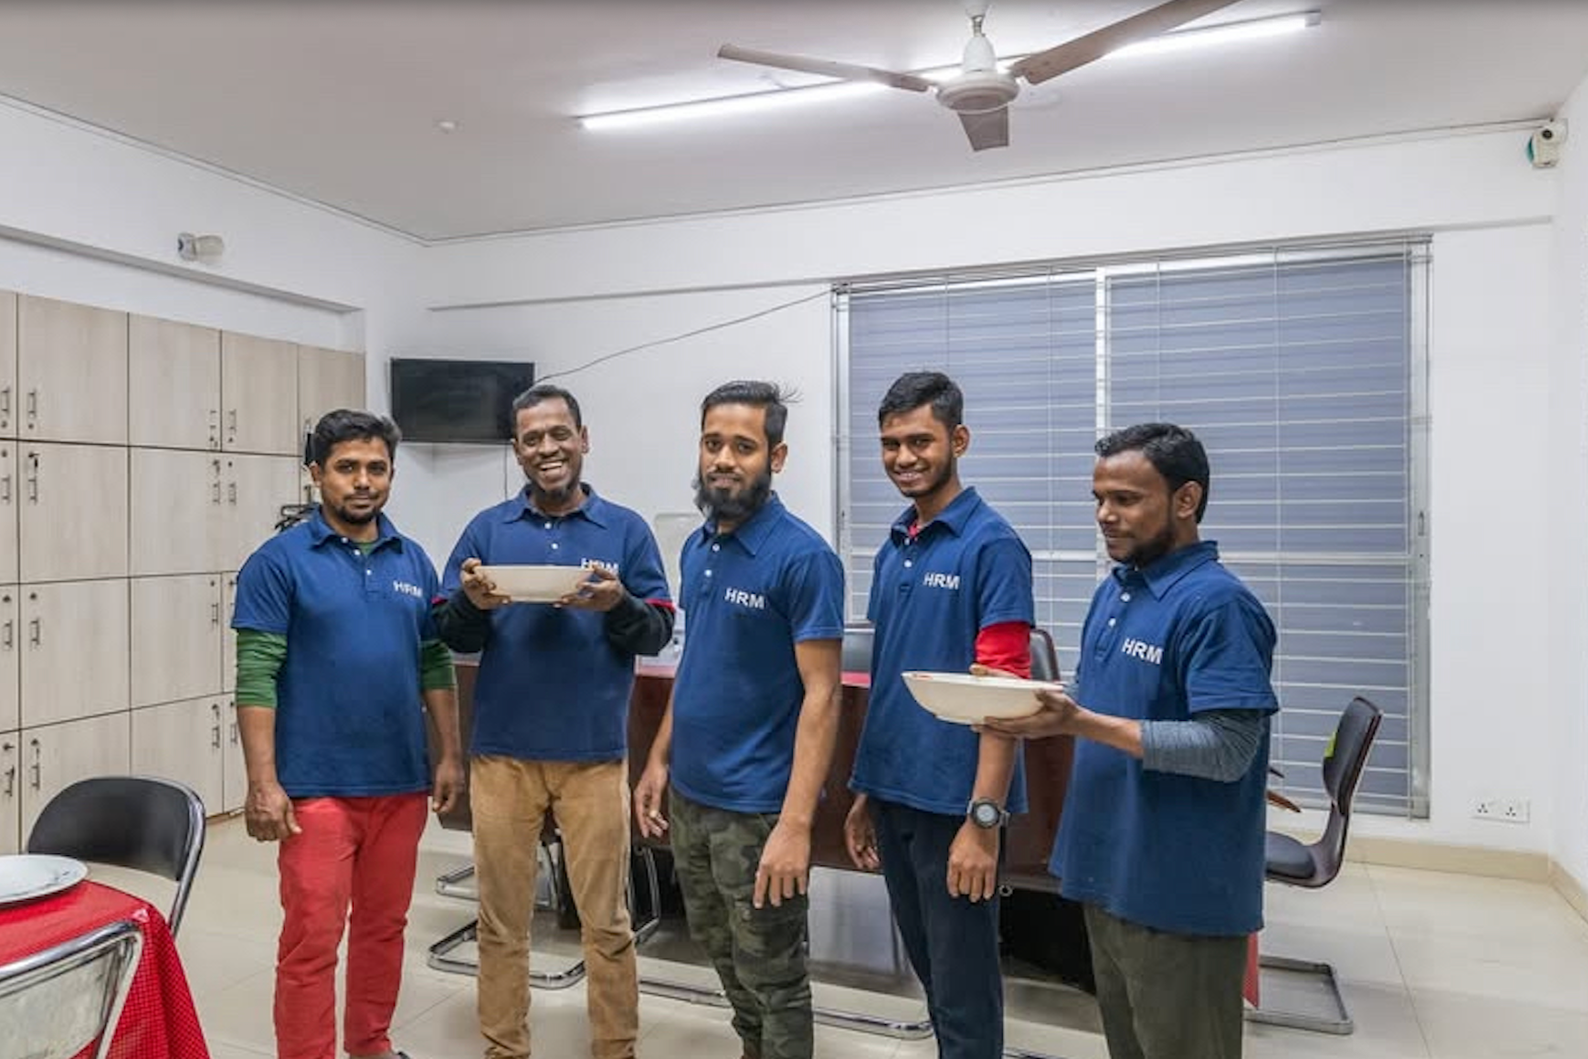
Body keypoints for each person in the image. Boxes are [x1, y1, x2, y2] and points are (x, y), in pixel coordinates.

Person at [984, 422, 1278, 1059]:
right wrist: (1029, 705)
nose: (1105, 516)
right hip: (1106, 873)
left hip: (1178, 894)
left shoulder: (1217, 606)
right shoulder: (1115, 591)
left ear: (1186, 499)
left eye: (1125, 499)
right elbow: (1097, 702)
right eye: (1099, 499)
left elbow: (1227, 749)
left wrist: (1079, 722)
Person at [432, 383, 674, 1059]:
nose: (548, 448)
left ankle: (615, 1048)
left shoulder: (625, 531)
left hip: (595, 756)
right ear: (518, 450)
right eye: (532, 438)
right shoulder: (487, 529)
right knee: (502, 922)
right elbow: (449, 628)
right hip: (502, 755)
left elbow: (656, 632)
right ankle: (504, 1047)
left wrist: (617, 603)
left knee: (607, 922)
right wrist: (475, 602)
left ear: (583, 438)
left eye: (558, 433)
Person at [232, 408, 464, 1059]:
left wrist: (448, 752)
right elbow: (256, 674)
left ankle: (370, 1043)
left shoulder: (412, 559)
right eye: (346, 468)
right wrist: (263, 783)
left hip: (399, 783)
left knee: (384, 928)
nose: (363, 481)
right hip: (315, 789)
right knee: (312, 939)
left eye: (376, 468)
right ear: (316, 474)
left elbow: (434, 660)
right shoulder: (278, 563)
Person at [632, 380, 844, 1059]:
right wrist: (660, 757)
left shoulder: (803, 558)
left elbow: (823, 695)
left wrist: (796, 823)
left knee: (775, 977)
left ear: (775, 457)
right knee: (722, 957)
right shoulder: (698, 548)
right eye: (713, 443)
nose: (724, 458)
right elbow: (699, 660)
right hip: (694, 797)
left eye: (743, 446)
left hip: (758, 809)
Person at [842, 371, 1034, 1059]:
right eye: (890, 443)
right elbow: (892, 680)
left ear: (958, 439)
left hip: (955, 803)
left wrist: (983, 823)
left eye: (919, 440)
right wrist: (868, 787)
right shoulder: (896, 543)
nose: (903, 457)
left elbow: (1005, 698)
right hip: (895, 791)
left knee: (963, 990)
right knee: (932, 975)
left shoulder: (993, 545)